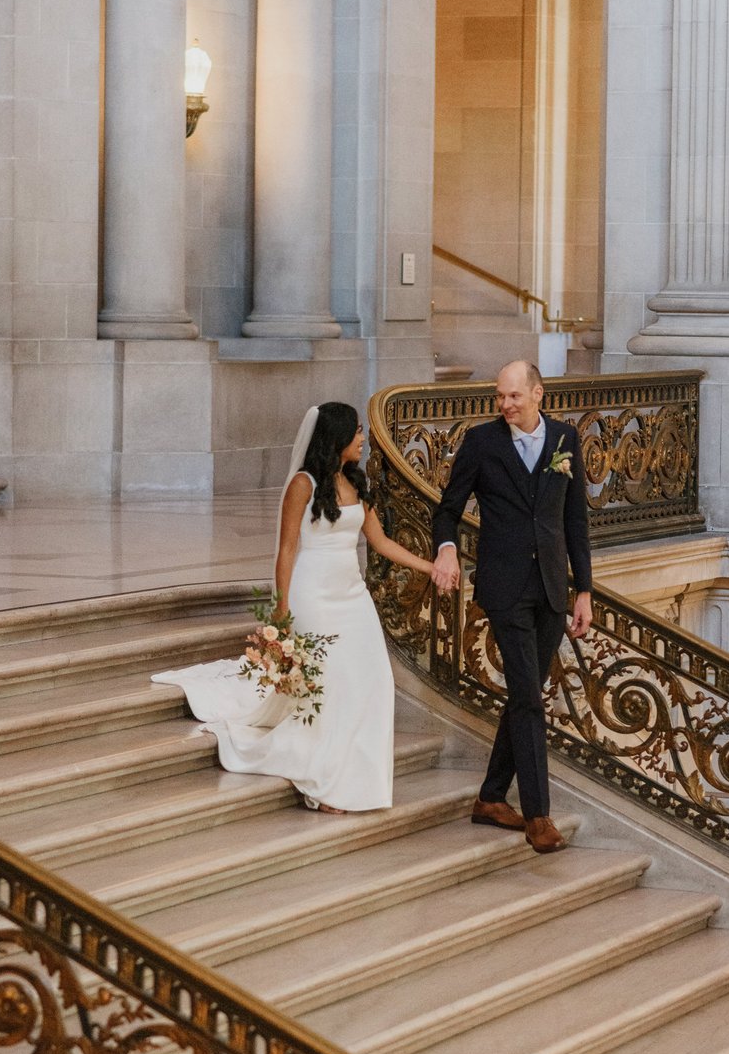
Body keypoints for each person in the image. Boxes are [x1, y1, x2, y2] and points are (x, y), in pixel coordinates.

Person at [152, 403, 433, 813]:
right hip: (313, 595)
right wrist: (281, 607)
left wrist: (430, 566)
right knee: (330, 686)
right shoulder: (302, 484)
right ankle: (325, 781)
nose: (362, 439)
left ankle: (360, 776)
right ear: (337, 437)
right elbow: (287, 548)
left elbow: (380, 542)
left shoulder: (357, 480)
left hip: (353, 597)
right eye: (356, 432)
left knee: (373, 681)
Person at [431, 360, 592, 854]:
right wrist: (447, 549)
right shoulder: (482, 443)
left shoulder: (565, 440)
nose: (504, 405)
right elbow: (447, 510)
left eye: (514, 396)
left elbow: (575, 520)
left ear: (538, 394)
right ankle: (538, 816)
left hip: (549, 587)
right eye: (500, 396)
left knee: (525, 692)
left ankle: (490, 796)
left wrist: (582, 590)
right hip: (503, 589)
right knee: (528, 695)